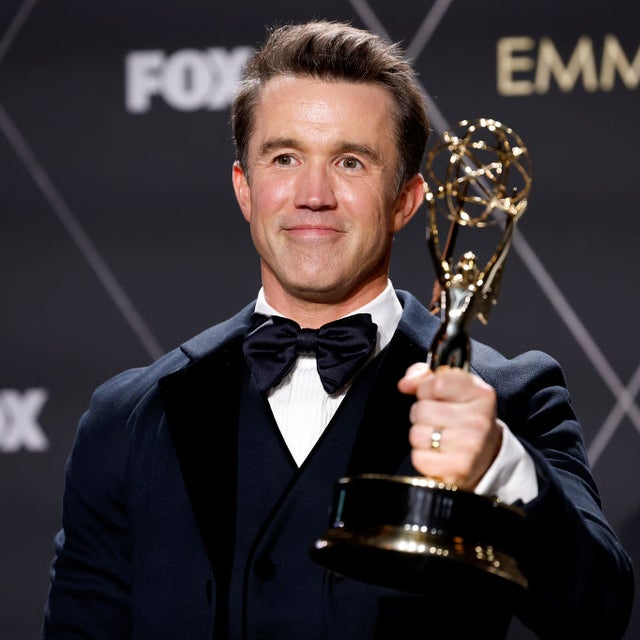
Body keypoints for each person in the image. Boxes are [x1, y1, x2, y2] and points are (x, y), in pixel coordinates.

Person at [42, 20, 633, 640]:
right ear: (245, 188)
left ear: (407, 200)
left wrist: (499, 465)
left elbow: (598, 614)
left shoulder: (506, 398)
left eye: (351, 161)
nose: (314, 194)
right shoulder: (129, 417)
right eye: (286, 157)